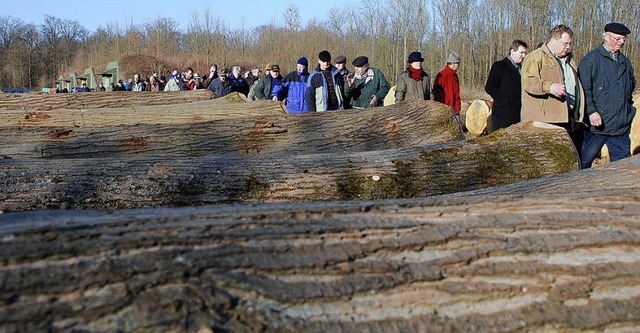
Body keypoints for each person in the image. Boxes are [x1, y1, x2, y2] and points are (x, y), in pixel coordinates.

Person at [579, 23, 636, 168]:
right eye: (618, 39)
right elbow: (584, 90)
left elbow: (630, 88)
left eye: (623, 39)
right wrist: (591, 112)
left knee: (624, 168)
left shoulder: (625, 62)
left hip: (621, 127)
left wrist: (629, 111)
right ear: (606, 37)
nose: (621, 42)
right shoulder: (591, 61)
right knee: (583, 163)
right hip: (598, 126)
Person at [521, 24, 585, 149]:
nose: (568, 47)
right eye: (565, 43)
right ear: (553, 40)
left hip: (568, 118)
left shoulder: (570, 61)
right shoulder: (535, 57)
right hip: (545, 121)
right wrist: (549, 87)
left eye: (570, 44)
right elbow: (528, 82)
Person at [485, 39, 529, 132]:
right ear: (512, 51)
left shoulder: (523, 69)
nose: (524, 56)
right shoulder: (499, 66)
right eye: (521, 52)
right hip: (503, 114)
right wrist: (504, 100)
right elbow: (489, 87)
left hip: (519, 114)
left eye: (525, 53)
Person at [434, 52, 462, 122]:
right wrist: (447, 103)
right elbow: (437, 92)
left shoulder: (455, 76)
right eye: (458, 64)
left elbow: (457, 93)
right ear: (453, 64)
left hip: (456, 111)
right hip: (446, 110)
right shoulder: (442, 75)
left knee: (458, 131)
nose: (459, 66)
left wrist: (458, 105)